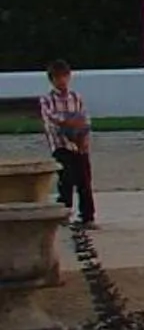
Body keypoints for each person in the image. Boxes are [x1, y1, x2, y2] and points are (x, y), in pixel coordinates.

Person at [38, 60, 95, 226]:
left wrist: (82, 136)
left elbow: (84, 119)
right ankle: (64, 213)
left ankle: (88, 216)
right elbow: (53, 121)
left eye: (65, 77)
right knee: (66, 179)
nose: (62, 81)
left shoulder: (76, 97)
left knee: (84, 180)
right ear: (52, 80)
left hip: (80, 144)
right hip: (60, 145)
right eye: (58, 78)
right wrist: (70, 124)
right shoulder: (47, 100)